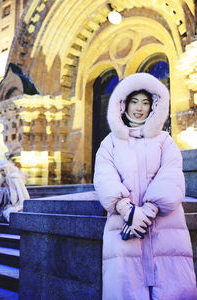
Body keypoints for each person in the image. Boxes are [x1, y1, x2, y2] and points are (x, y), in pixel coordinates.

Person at [93, 73, 197, 300]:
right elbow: (104, 177)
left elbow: (171, 177)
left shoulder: (165, 141)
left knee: (171, 287)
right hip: (124, 228)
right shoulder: (110, 143)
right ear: (124, 105)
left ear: (153, 107)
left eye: (145, 102)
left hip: (165, 228)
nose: (139, 108)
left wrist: (147, 212)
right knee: (127, 288)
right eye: (134, 102)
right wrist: (127, 210)